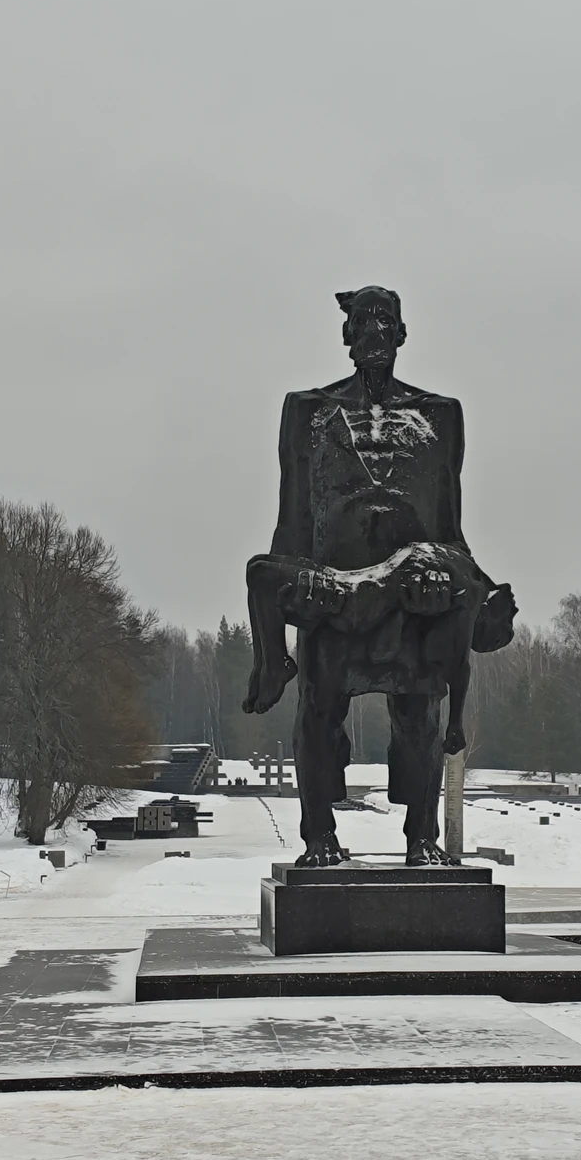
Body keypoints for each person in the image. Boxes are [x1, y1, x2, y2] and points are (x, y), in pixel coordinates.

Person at [243, 286, 515, 867]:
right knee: (318, 709)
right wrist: (297, 580)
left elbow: (450, 530)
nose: (373, 331)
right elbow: (293, 521)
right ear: (346, 336)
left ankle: (422, 838)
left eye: (384, 320)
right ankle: (319, 837)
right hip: (337, 591)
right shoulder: (308, 411)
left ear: (401, 333)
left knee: (421, 715)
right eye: (362, 321)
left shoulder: (439, 416)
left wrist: (479, 591)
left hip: (415, 594)